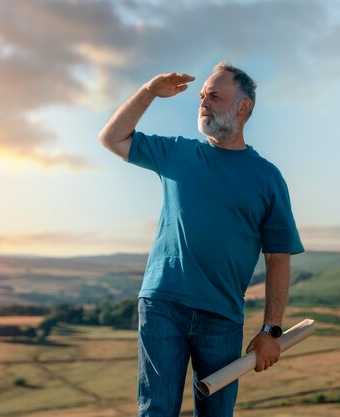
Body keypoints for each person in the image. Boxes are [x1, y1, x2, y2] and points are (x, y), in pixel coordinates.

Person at [98, 61, 304, 417]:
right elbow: (112, 138)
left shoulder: (268, 178)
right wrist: (149, 92)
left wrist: (271, 329)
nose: (203, 103)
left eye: (214, 96)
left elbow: (278, 258)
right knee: (157, 411)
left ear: (244, 107)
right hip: (163, 304)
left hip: (222, 316)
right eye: (202, 96)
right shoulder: (178, 153)